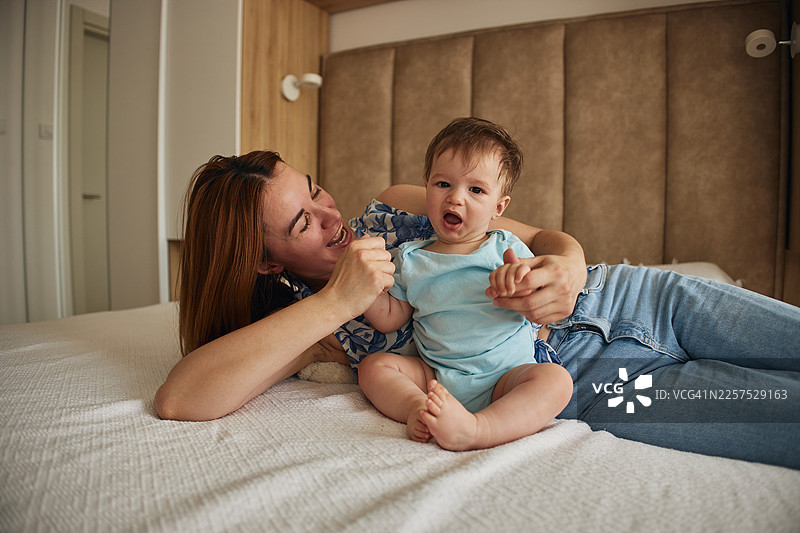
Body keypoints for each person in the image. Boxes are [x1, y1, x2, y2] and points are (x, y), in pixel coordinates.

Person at [156, 118, 800, 470]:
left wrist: (569, 268)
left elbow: (547, 235)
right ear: (267, 265)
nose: (332, 216)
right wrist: (335, 300)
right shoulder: (319, 327)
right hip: (600, 385)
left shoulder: (408, 204)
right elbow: (181, 398)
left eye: (317, 190)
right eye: (303, 223)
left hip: (638, 295)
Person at [358, 118, 572, 450]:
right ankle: (418, 410)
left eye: (476, 190)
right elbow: (389, 318)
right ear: (427, 187)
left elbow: (540, 311)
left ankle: (478, 429)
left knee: (556, 381)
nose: (456, 198)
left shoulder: (505, 248)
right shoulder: (410, 258)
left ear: (497, 207)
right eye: (443, 184)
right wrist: (364, 284)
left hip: (505, 377)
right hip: (437, 377)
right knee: (373, 367)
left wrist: (519, 284)